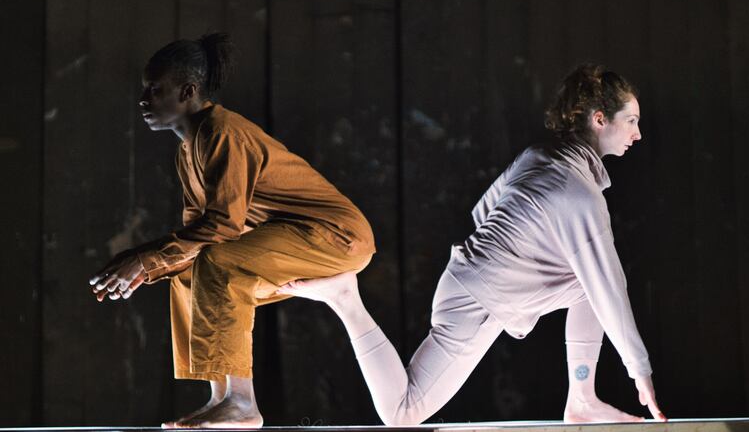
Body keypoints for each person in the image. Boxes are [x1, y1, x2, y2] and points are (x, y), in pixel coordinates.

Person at [278, 64, 667, 425]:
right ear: (600, 120)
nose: (637, 134)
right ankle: (347, 301)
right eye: (631, 121)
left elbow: (485, 211)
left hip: (473, 283)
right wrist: (640, 371)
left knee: (585, 285)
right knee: (403, 412)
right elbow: (610, 289)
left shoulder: (540, 156)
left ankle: (582, 399)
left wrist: (520, 266)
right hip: (475, 302)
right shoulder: (581, 196)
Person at [89, 33, 375, 429]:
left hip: (335, 235)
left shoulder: (222, 133)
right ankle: (221, 399)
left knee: (219, 262)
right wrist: (147, 269)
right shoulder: (188, 149)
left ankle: (242, 404)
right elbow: (195, 234)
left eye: (155, 90)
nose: (143, 100)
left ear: (188, 91)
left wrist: (143, 256)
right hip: (290, 237)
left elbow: (222, 227)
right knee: (191, 274)